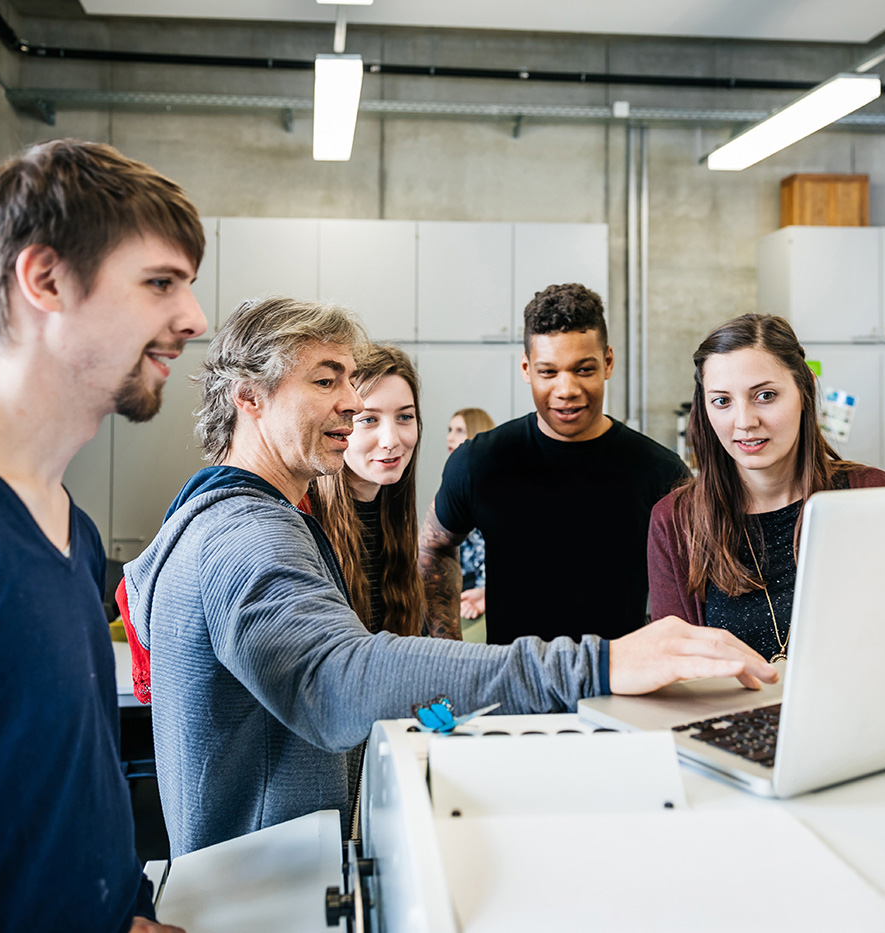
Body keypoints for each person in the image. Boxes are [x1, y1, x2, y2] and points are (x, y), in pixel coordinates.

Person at [122, 296, 777, 857]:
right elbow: (337, 681)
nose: (352, 404)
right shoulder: (247, 534)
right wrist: (595, 666)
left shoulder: (243, 517)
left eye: (352, 382)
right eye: (326, 382)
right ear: (249, 396)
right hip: (263, 893)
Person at [0, 139, 205, 932]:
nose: (192, 317)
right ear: (45, 279)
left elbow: (40, 799)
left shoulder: (69, 527)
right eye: (161, 282)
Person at [419, 283, 689, 644]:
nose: (566, 390)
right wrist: (448, 647)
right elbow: (434, 548)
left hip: (620, 690)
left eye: (583, 370)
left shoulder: (661, 472)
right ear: (526, 368)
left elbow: (695, 578)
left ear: (607, 362)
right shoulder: (479, 462)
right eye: (549, 372)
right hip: (513, 686)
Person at [647, 314, 885, 661]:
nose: (745, 422)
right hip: (732, 715)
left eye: (765, 396)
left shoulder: (877, 497)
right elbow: (678, 673)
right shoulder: (675, 521)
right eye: (722, 401)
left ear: (805, 390)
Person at [309, 344, 427, 636]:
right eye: (369, 420)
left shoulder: (394, 511)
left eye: (404, 417)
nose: (391, 440)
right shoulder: (305, 522)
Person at [445, 407, 496, 621]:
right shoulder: (457, 480)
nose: (450, 437)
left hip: (477, 586)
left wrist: (487, 592)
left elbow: (492, 546)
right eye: (449, 430)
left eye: (459, 431)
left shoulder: (488, 486)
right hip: (458, 579)